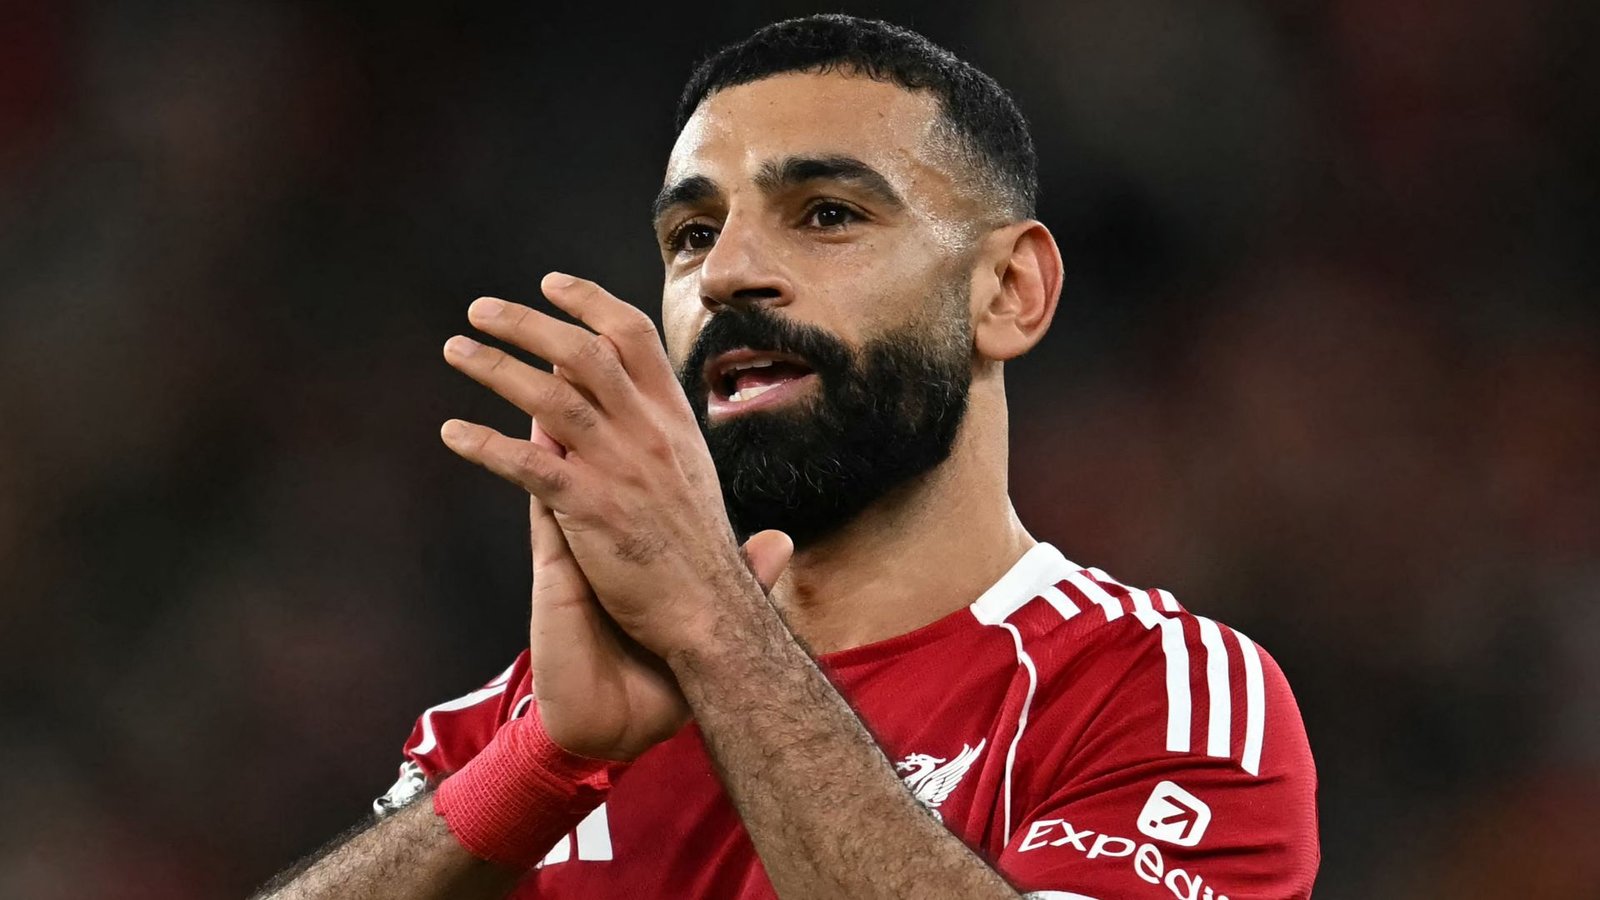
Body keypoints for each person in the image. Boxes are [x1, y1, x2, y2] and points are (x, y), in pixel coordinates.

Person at [255, 14, 1318, 900]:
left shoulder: (1151, 691)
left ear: (1007, 292)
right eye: (690, 235)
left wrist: (720, 632)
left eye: (826, 214)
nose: (728, 275)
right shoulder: (559, 705)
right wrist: (540, 765)